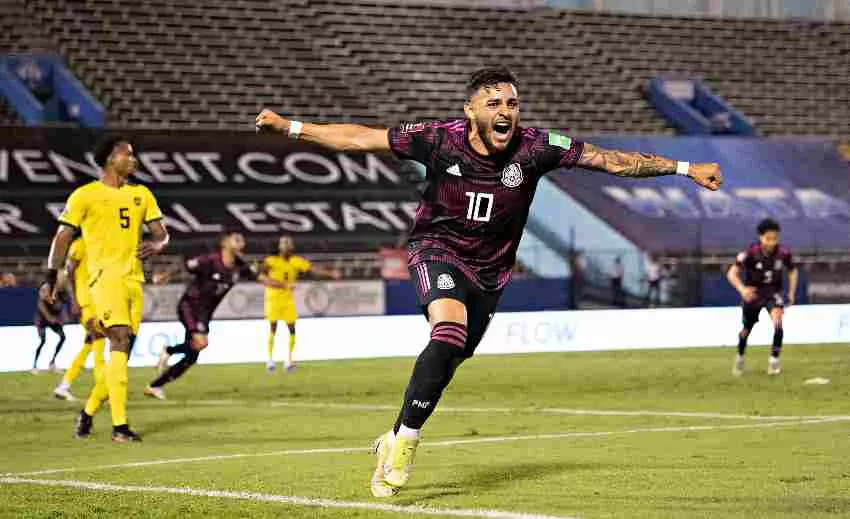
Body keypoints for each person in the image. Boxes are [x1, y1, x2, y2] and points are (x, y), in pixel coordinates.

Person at [254, 65, 722, 497]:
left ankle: (393, 436)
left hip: (492, 271)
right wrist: (293, 128)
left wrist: (685, 169)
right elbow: (360, 138)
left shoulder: (538, 147)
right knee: (448, 329)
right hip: (436, 249)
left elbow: (611, 161)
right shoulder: (438, 139)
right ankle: (407, 445)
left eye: (512, 104)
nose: (505, 112)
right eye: (494, 103)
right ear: (471, 110)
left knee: (453, 355)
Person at [44, 135, 169, 442]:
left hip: (134, 280)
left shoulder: (142, 194)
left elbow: (162, 234)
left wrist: (157, 244)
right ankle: (120, 426)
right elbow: (62, 237)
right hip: (104, 279)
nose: (134, 159)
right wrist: (51, 278)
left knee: (121, 354)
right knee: (120, 338)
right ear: (112, 159)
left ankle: (86, 413)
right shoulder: (85, 195)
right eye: (129, 154)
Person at [143, 230, 285, 399]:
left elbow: (263, 279)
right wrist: (164, 275)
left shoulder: (240, 266)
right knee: (201, 342)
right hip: (189, 306)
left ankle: (155, 386)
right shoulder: (210, 260)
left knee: (192, 357)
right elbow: (185, 264)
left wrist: (284, 285)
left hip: (204, 314)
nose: (242, 244)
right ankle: (169, 350)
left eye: (242, 241)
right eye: (237, 239)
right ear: (225, 242)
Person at [726, 218, 797, 376]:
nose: (772, 243)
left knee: (778, 323)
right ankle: (740, 356)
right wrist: (742, 289)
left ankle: (774, 362)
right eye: (768, 239)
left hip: (773, 293)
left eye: (775, 238)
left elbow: (793, 271)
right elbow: (731, 273)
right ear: (760, 237)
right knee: (746, 330)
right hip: (754, 295)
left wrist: (791, 293)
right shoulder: (749, 253)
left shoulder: (783, 253)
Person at [261, 236, 340, 372]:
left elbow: (313, 269)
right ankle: (270, 360)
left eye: (288, 243)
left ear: (292, 247)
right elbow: (260, 274)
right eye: (283, 243)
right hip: (272, 299)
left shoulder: (296, 261)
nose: (286, 246)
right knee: (273, 328)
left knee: (292, 329)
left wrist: (330, 273)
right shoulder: (271, 261)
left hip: (287, 301)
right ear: (279, 247)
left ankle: (289, 361)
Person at [53, 236, 107, 401]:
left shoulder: (100, 242)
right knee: (99, 341)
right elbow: (68, 273)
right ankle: (102, 388)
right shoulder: (79, 244)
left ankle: (64, 386)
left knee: (89, 345)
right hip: (86, 302)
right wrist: (74, 300)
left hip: (98, 301)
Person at [32, 271, 68, 374]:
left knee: (62, 337)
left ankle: (52, 363)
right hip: (42, 319)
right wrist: (49, 317)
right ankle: (34, 366)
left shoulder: (61, 290)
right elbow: (41, 304)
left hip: (53, 318)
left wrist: (63, 317)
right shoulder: (46, 287)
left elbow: (62, 305)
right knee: (43, 340)